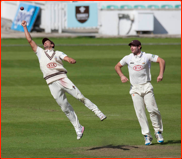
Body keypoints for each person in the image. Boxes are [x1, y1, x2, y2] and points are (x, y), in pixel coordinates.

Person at [21, 20, 107, 140]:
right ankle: (78, 128)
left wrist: (70, 60)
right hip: (51, 83)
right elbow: (30, 40)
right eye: (44, 42)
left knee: (79, 96)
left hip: (62, 78)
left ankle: (97, 112)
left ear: (52, 44)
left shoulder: (57, 53)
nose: (45, 42)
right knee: (64, 107)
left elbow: (65, 57)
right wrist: (25, 27)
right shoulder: (40, 52)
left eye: (47, 41)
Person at [115, 40, 165, 145]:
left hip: (146, 86)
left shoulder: (146, 56)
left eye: (133, 46)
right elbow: (117, 66)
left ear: (139, 46)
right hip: (134, 88)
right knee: (140, 112)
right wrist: (122, 76)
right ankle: (147, 135)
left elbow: (161, 61)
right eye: (131, 46)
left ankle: (158, 132)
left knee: (153, 109)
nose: (131, 48)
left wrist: (160, 74)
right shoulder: (128, 58)